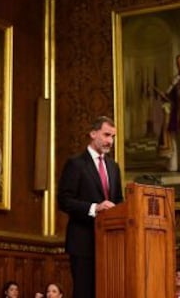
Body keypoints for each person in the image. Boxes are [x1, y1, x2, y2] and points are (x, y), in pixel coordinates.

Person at [57, 116, 123, 298]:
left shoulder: (113, 167)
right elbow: (64, 200)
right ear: (93, 134)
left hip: (110, 243)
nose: (110, 141)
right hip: (83, 242)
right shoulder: (76, 164)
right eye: (107, 135)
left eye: (113, 137)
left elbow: (118, 201)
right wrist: (95, 208)